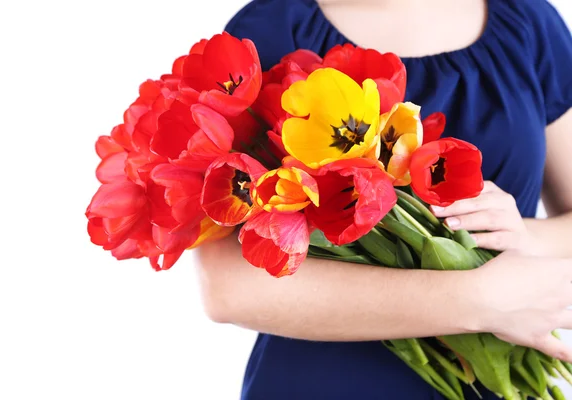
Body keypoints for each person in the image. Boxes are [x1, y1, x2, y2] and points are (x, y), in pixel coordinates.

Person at [195, 0, 572, 398]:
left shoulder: (528, 23)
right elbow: (225, 287)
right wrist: (479, 300)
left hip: (504, 381)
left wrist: (521, 238)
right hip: (323, 384)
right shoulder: (273, 25)